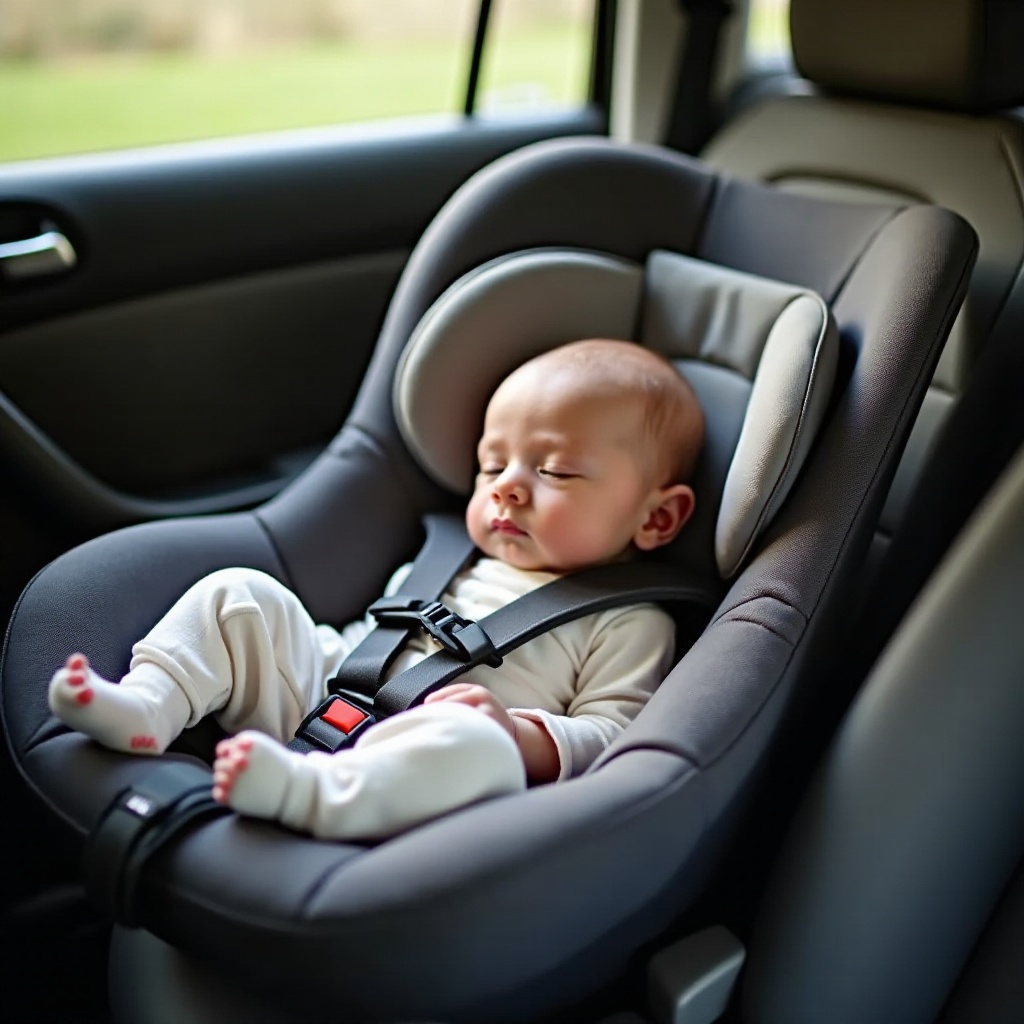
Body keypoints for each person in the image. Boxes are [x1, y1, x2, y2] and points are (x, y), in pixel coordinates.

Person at [48, 339, 704, 840]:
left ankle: (313, 795)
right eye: (491, 465)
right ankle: (151, 704)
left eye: (554, 470)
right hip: (329, 700)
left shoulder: (630, 621)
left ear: (656, 518)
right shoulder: (452, 558)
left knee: (475, 747)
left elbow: (615, 737)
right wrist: (307, 658)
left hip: (430, 767)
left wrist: (520, 735)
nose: (505, 486)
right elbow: (372, 638)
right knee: (240, 594)